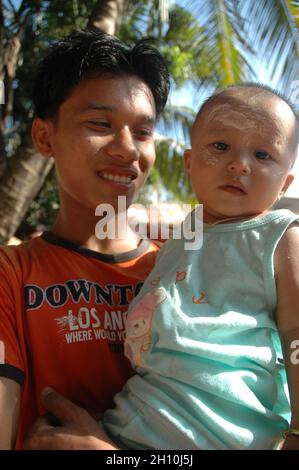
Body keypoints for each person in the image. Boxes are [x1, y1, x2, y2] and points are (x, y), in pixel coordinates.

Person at [24, 83, 299, 451]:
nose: (239, 164)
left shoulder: (280, 238)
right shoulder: (177, 238)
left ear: (285, 183)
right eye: (220, 147)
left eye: (263, 154)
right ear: (189, 162)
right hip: (133, 424)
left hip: (220, 435)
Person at [0, 29, 170, 449]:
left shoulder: (184, 271)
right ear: (44, 137)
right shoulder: (11, 275)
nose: (128, 150)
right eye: (101, 123)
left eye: (143, 132)